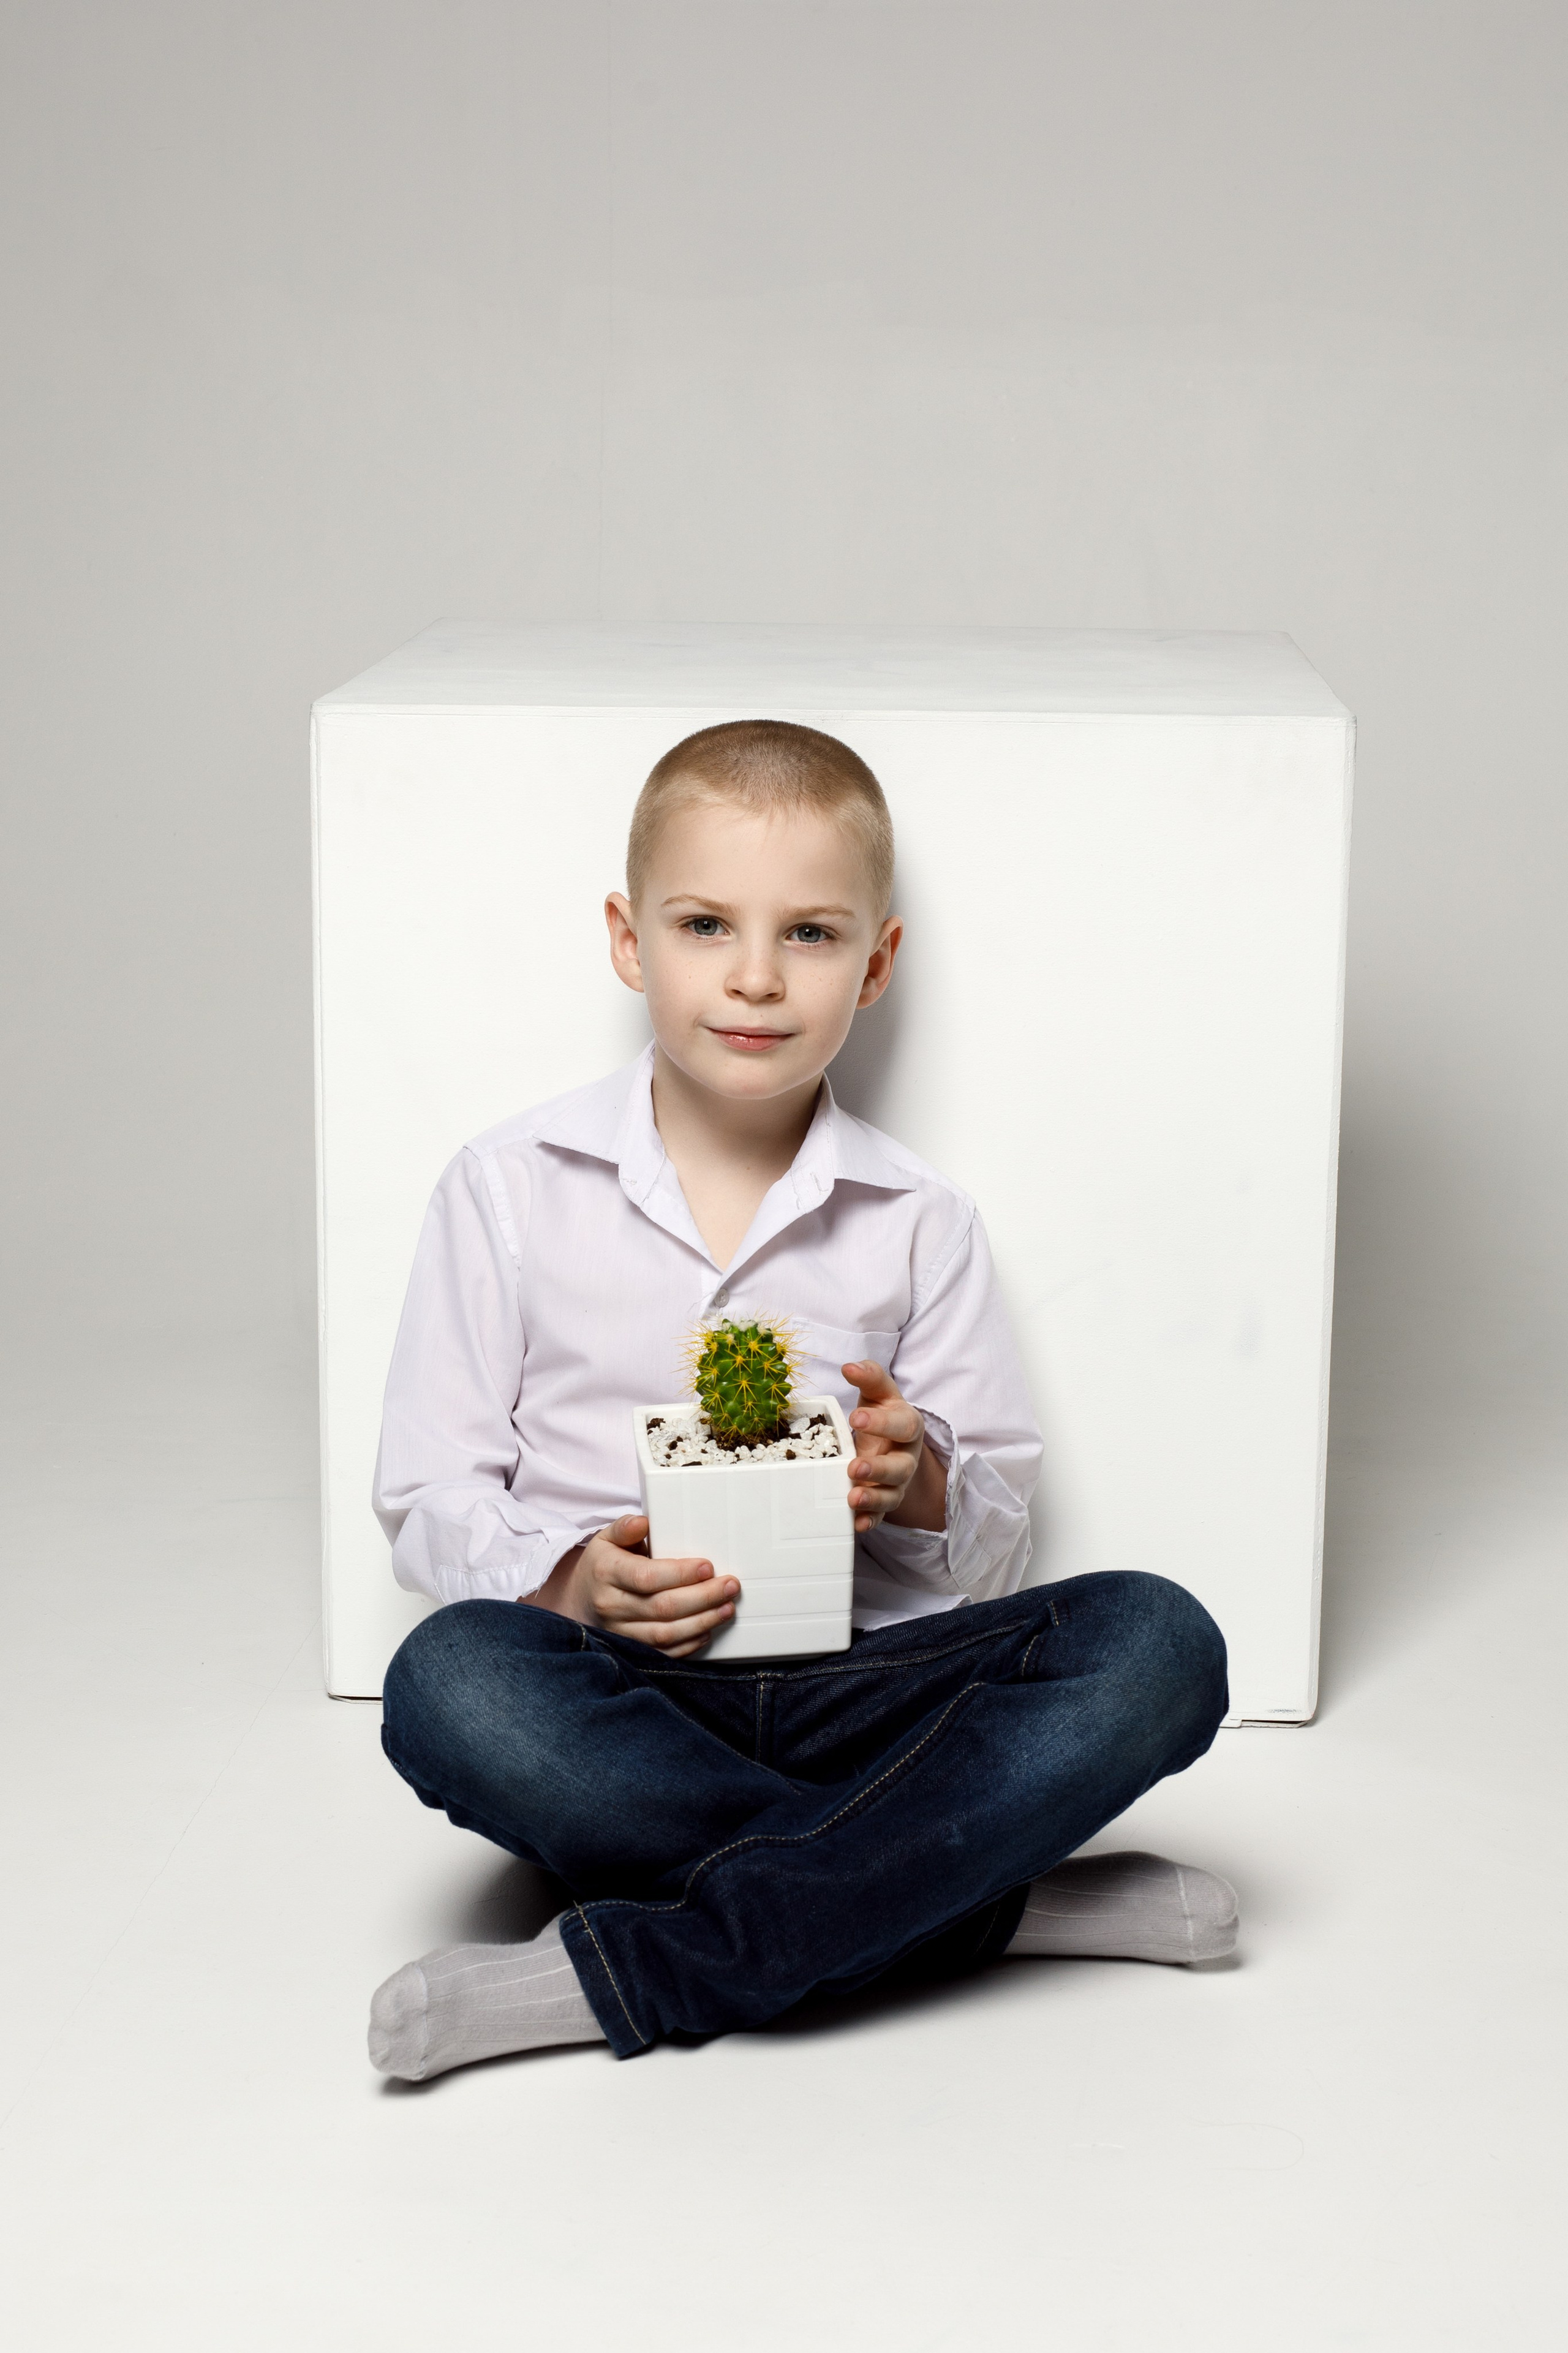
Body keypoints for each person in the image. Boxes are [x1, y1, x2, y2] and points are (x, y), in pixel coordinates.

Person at [368, 720, 1235, 2079]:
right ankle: (975, 1897)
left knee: (1156, 1640)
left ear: (876, 961)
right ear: (627, 938)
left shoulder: (917, 1218)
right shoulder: (505, 1187)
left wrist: (923, 1479)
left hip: (865, 1685)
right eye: (706, 924)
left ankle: (623, 1970)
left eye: (811, 935)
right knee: (447, 1683)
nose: (756, 977)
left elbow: (995, 1531)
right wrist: (576, 1582)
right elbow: (428, 1493)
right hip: (626, 1689)